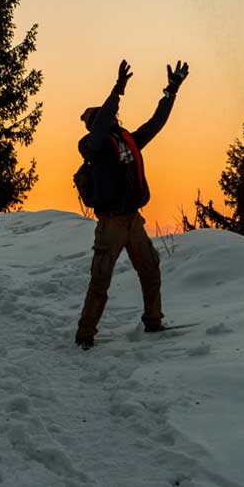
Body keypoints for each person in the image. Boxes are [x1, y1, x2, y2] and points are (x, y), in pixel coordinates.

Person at [74, 59, 189, 349]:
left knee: (150, 270)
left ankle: (153, 321)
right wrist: (117, 90)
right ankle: (85, 335)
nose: (113, 117)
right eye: (104, 116)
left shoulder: (128, 140)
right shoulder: (91, 146)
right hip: (111, 223)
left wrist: (170, 93)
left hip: (132, 220)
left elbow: (155, 123)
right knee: (101, 280)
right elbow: (100, 126)